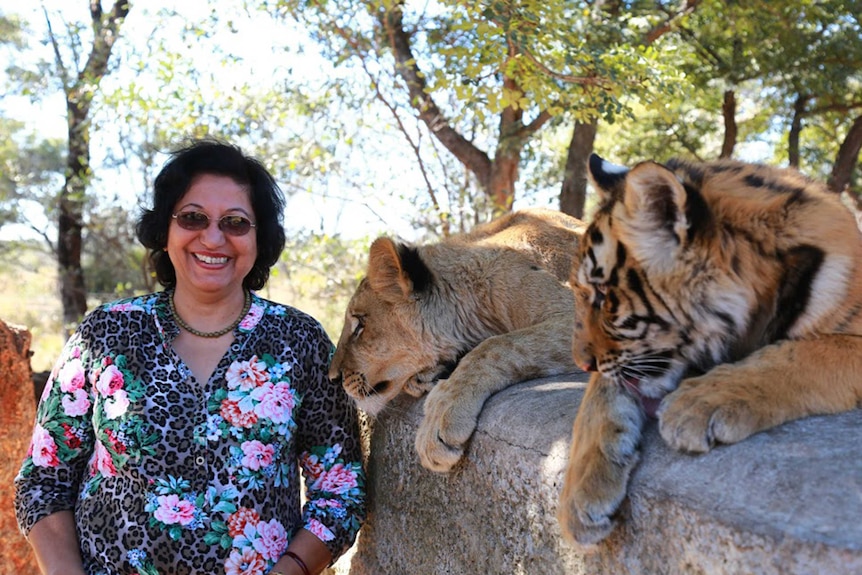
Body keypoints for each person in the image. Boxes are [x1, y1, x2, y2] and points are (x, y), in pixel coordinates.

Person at [15, 138, 366, 575]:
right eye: (193, 217)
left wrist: (290, 570)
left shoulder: (300, 342)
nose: (213, 237)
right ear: (166, 229)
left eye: (236, 222)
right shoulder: (104, 335)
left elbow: (339, 492)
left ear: (261, 238)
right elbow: (43, 483)